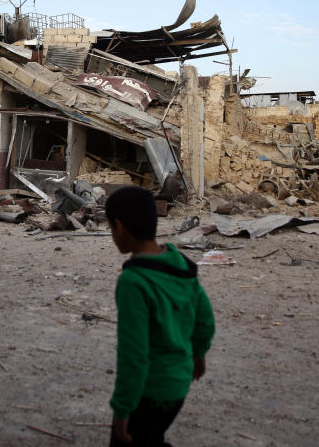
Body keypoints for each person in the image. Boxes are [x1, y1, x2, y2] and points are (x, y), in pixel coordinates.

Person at [106, 186, 215, 446]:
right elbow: (205, 319)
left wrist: (122, 409)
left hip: (149, 393)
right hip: (178, 387)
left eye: (110, 228)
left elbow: (134, 355)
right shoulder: (180, 265)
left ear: (119, 227)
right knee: (152, 436)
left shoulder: (134, 282)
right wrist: (198, 355)